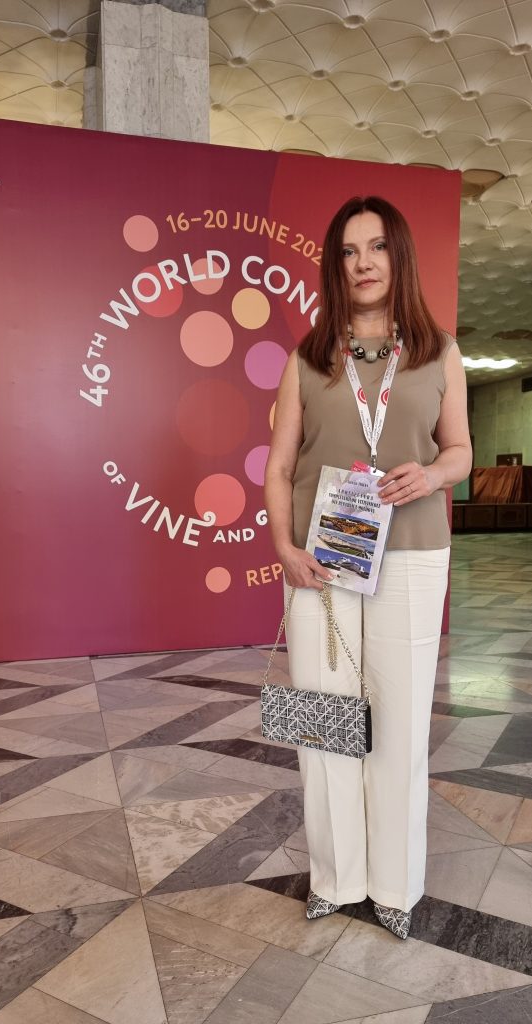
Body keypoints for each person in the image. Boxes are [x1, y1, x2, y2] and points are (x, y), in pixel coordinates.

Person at [264, 195, 472, 939]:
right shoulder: (308, 357)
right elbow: (279, 464)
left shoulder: (439, 352)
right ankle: (336, 878)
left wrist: (433, 474)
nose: (363, 263)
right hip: (321, 561)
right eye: (349, 251)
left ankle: (393, 888)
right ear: (335, 265)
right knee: (325, 722)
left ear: (398, 255)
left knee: (399, 721)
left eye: (377, 247)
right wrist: (284, 548)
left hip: (411, 555)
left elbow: (460, 451)